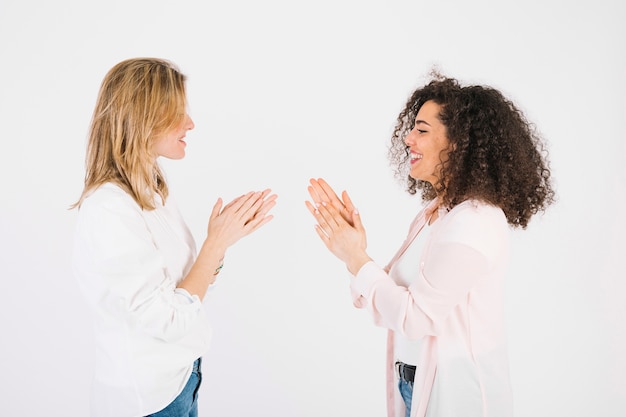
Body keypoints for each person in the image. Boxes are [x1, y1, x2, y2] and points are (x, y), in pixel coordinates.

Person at [305, 73, 554, 417]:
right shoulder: (437, 213)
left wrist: (357, 258)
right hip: (414, 383)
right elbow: (389, 296)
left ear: (459, 143)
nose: (408, 138)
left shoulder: (474, 222)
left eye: (422, 130)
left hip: (457, 396)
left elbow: (415, 317)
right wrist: (355, 253)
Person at [71, 58, 277, 417]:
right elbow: (169, 317)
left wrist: (221, 241)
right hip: (146, 400)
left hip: (179, 383)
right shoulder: (110, 209)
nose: (191, 123)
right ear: (143, 119)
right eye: (177, 112)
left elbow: (188, 294)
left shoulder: (152, 191)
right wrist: (214, 244)